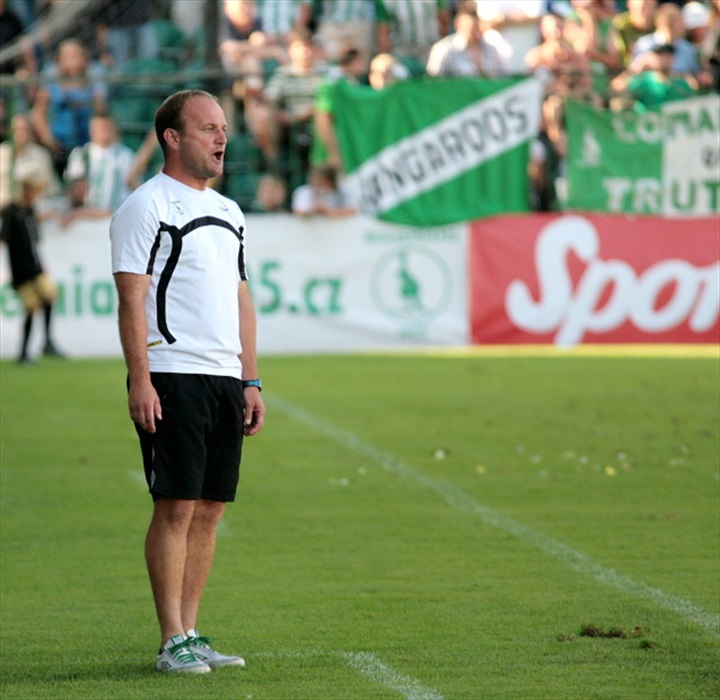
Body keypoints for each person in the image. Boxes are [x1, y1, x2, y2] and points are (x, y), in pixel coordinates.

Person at [109, 89, 265, 673]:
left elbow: (241, 299)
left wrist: (251, 380)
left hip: (225, 379)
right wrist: (139, 380)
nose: (222, 138)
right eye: (207, 128)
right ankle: (170, 637)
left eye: (223, 128)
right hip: (173, 375)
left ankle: (192, 631)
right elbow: (131, 298)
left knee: (210, 509)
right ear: (172, 138)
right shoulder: (145, 206)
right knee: (175, 505)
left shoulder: (230, 212)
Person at [0, 168, 64, 364]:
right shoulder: (12, 210)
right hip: (22, 269)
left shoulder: (28, 210)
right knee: (32, 308)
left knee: (48, 298)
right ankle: (26, 351)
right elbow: (5, 238)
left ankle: (44, 343)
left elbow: (33, 241)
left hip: (35, 267)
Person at [30, 38, 107, 178]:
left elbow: (101, 111)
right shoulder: (52, 81)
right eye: (68, 56)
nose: (73, 60)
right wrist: (51, 142)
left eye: (77, 55)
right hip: (60, 147)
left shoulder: (92, 80)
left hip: (87, 144)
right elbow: (37, 115)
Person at [62, 113, 136, 225]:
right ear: (91, 130)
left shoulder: (126, 155)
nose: (102, 131)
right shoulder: (80, 155)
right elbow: (74, 191)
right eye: (98, 128)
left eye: (106, 127)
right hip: (86, 219)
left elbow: (134, 187)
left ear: (113, 129)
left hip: (117, 218)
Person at [426, 5, 509, 77]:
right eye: (470, 28)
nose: (474, 31)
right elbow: (433, 81)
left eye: (476, 27)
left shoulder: (491, 49)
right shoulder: (444, 49)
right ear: (457, 25)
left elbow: (504, 76)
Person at [291, 164, 356, 217]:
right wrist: (314, 210)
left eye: (322, 181)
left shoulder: (341, 191)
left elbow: (354, 210)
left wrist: (329, 211)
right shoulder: (304, 191)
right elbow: (297, 212)